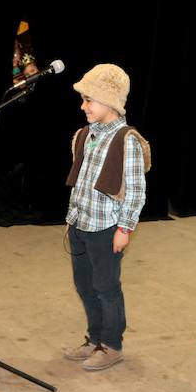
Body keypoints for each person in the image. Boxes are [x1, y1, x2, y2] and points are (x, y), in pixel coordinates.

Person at [63, 64, 150, 371]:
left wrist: (124, 229)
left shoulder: (127, 141)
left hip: (105, 228)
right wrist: (72, 218)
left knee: (106, 287)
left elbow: (136, 191)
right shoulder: (85, 135)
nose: (83, 105)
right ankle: (94, 337)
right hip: (80, 223)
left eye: (89, 100)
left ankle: (112, 345)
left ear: (110, 102)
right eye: (84, 99)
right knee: (84, 285)